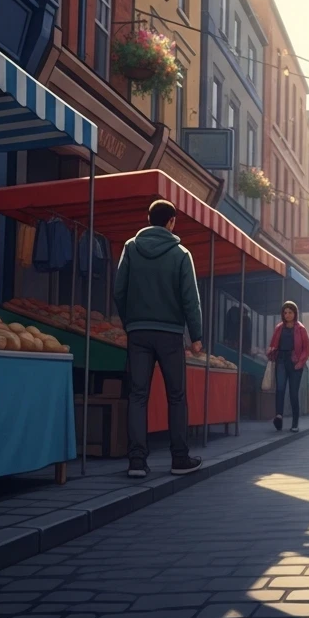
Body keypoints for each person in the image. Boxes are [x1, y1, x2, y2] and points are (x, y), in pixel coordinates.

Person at [114, 200, 204, 479]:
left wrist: (131, 322)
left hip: (138, 333)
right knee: (176, 396)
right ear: (172, 221)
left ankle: (137, 462)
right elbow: (191, 299)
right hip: (170, 335)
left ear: (148, 218)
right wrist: (196, 335)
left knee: (137, 395)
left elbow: (119, 290)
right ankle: (179, 458)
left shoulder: (130, 248)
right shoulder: (180, 254)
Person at [266, 302, 309, 433]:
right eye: (285, 312)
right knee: (279, 389)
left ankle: (295, 422)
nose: (287, 315)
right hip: (281, 360)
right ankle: (279, 416)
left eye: (290, 312)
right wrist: (271, 352)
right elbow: (273, 343)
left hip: (295, 362)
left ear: (295, 313)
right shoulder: (279, 327)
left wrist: (300, 363)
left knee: (293, 393)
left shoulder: (300, 328)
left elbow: (306, 349)